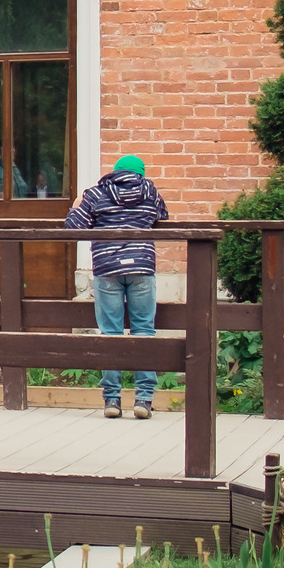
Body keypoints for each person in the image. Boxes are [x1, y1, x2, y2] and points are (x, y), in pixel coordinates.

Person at [64, 153, 170, 418]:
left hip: (107, 269)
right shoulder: (150, 191)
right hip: (142, 268)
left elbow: (73, 229)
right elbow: (164, 218)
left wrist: (77, 206)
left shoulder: (96, 193)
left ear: (115, 172)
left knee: (110, 333)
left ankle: (112, 401)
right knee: (144, 330)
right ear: (140, 173)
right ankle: (144, 400)